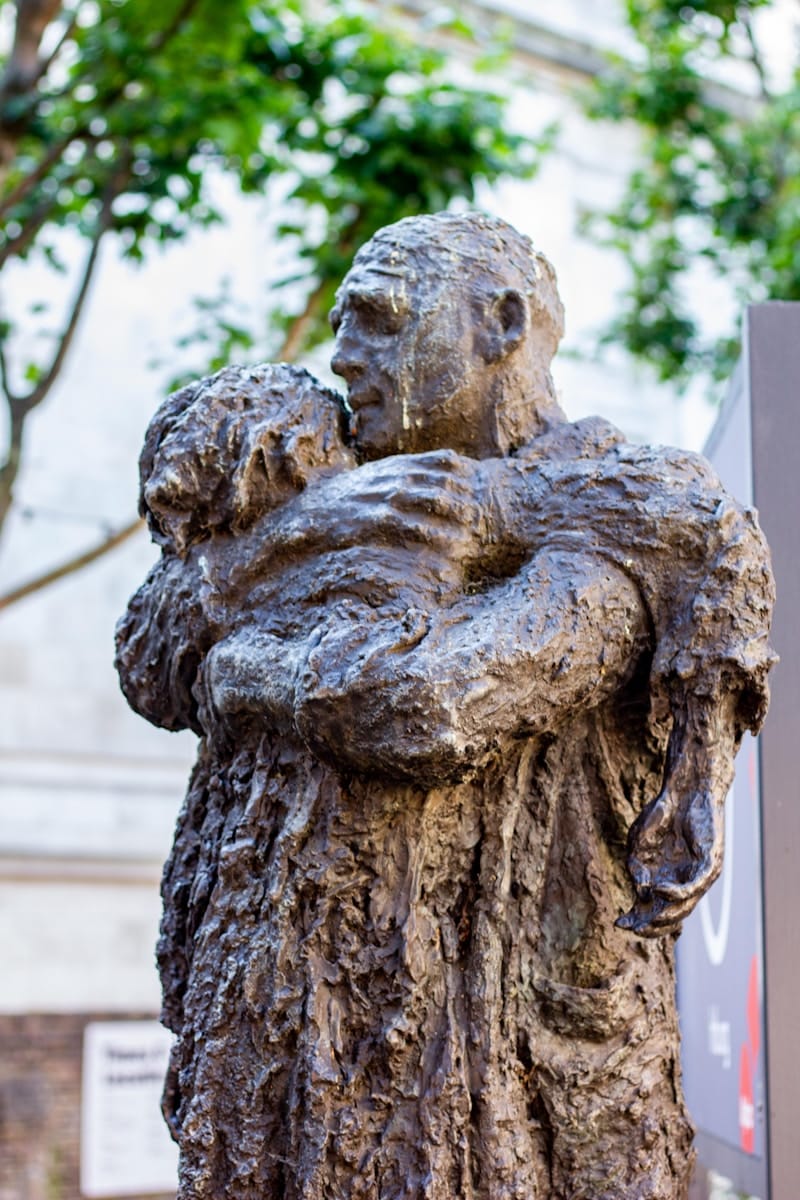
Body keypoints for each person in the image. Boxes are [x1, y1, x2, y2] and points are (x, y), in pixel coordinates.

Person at [116, 213, 774, 1200]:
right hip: (290, 1072)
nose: (345, 357)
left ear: (501, 324)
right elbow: (151, 651)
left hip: (508, 1091)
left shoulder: (613, 521)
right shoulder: (329, 481)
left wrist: (244, 670)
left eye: (379, 320)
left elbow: (432, 707)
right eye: (343, 326)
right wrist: (296, 537)